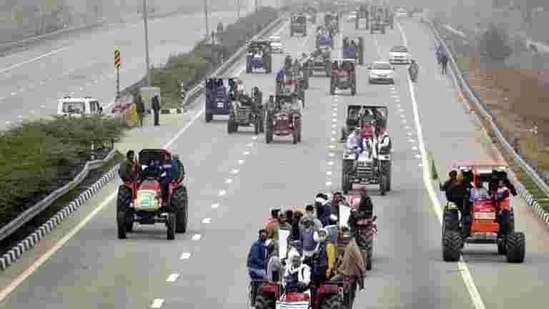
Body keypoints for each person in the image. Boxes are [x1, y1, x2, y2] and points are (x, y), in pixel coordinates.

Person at [329, 229, 365, 306]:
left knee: (347, 296)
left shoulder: (352, 247)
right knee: (332, 284)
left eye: (346, 238)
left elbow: (360, 262)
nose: (344, 239)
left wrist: (361, 282)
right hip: (344, 273)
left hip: (349, 275)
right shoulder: (348, 245)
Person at [247, 229, 269, 307]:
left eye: (265, 235)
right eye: (262, 235)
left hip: (259, 267)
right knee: (268, 277)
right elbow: (255, 259)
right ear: (259, 236)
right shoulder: (257, 245)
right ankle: (261, 295)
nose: (264, 236)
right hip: (254, 268)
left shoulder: (264, 245)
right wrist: (265, 266)